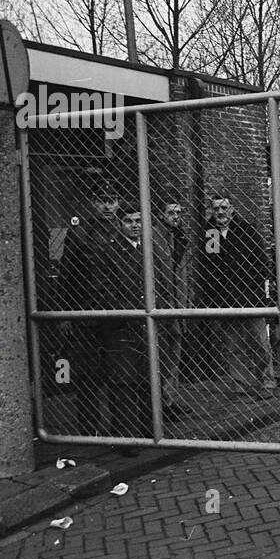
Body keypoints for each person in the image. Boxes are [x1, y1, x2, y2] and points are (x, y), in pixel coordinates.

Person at [86, 205, 153, 452]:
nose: (134, 225)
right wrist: (131, 311)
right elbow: (101, 289)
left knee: (147, 377)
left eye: (138, 220)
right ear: (119, 224)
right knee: (124, 381)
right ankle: (128, 436)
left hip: (146, 324)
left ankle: (149, 431)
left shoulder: (149, 249)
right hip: (123, 324)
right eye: (128, 221)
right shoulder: (108, 252)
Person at [57, 185, 123, 436]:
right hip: (86, 314)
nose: (107, 206)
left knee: (118, 372)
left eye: (112, 200)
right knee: (87, 376)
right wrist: (65, 313)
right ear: (92, 202)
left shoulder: (123, 228)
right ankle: (89, 428)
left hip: (117, 314)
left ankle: (121, 428)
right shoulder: (79, 233)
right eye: (101, 200)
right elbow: (66, 275)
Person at [196, 195, 276, 393]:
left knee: (259, 342)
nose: (220, 212)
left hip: (249, 298)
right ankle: (241, 384)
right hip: (225, 300)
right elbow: (209, 267)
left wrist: (252, 287)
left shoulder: (246, 231)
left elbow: (261, 263)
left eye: (224, 208)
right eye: (216, 209)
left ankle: (266, 380)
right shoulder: (211, 234)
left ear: (231, 209)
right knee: (233, 346)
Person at [153, 197, 189, 417]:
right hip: (164, 303)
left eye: (179, 212)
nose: (176, 217)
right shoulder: (156, 237)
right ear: (160, 214)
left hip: (177, 302)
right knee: (163, 355)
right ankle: (163, 401)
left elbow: (183, 272)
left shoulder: (179, 236)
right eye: (171, 212)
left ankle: (170, 397)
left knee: (174, 353)